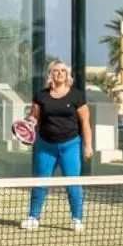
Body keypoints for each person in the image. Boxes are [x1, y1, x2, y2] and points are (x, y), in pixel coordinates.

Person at [22, 59, 92, 232]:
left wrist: (87, 145)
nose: (60, 73)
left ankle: (77, 219)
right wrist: (28, 123)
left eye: (63, 70)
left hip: (71, 145)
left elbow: (85, 122)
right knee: (40, 183)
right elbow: (34, 116)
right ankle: (33, 217)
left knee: (72, 183)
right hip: (46, 146)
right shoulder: (41, 95)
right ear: (50, 74)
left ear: (67, 75)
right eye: (56, 70)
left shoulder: (76, 95)